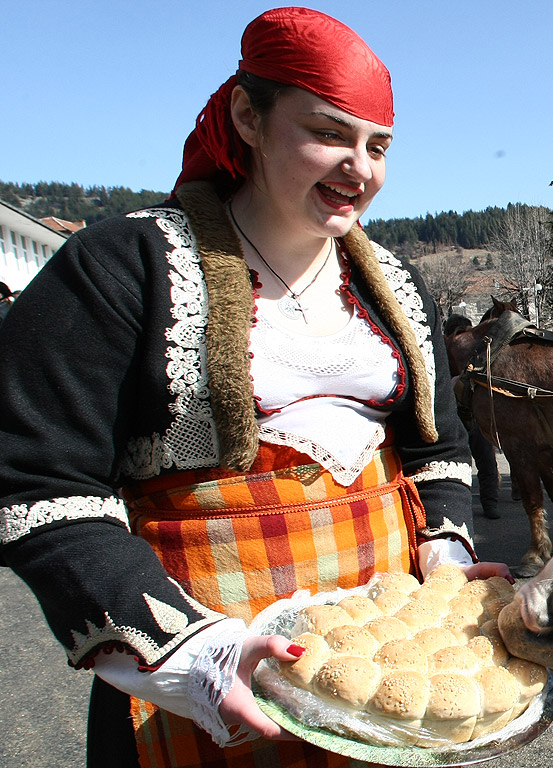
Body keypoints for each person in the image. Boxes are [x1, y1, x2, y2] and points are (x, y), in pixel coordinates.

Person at [0, 8, 510, 767]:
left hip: (385, 666)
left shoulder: (396, 286)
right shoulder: (123, 267)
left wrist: (441, 554)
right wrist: (191, 649)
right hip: (205, 660)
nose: (360, 168)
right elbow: (34, 479)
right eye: (329, 133)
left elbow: (439, 447)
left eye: (377, 146)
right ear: (248, 115)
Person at [442, 313, 501, 518]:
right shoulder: (442, 355)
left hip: (474, 416)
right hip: (455, 418)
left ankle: (490, 504)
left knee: (486, 463)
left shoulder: (476, 353)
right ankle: (463, 506)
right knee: (462, 464)